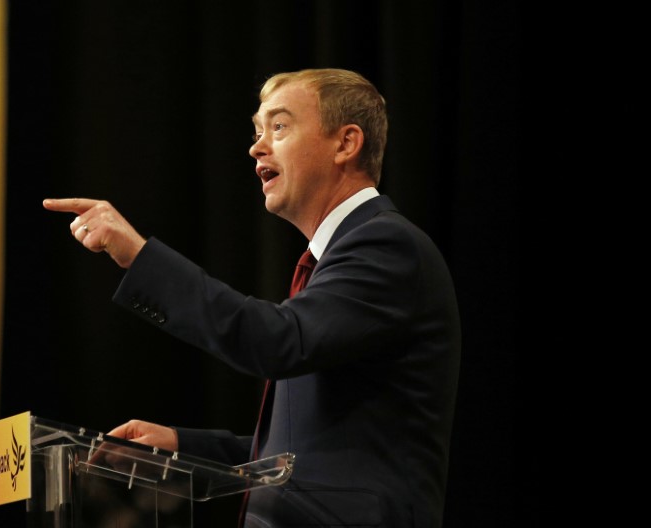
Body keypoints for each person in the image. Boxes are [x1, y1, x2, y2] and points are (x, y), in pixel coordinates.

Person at [43, 68, 460, 528]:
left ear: (346, 144)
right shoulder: (339, 259)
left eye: (279, 127)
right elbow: (309, 454)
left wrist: (139, 258)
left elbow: (278, 342)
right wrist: (183, 445)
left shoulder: (386, 246)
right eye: (258, 131)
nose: (256, 147)